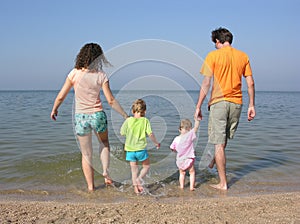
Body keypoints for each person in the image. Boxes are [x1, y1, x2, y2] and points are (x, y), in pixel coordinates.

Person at [50, 43, 128, 192]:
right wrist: (125, 115)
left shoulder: (74, 73)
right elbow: (110, 100)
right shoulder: (101, 75)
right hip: (97, 115)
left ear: (81, 56)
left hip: (81, 117)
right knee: (104, 143)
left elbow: (61, 96)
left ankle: (91, 187)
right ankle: (105, 171)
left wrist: (54, 109)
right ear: (98, 58)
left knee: (86, 154)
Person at [194, 27, 256, 190]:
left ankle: (223, 183)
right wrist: (251, 105)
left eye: (214, 43)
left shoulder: (213, 55)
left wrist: (198, 105)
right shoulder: (243, 56)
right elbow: (250, 83)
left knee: (218, 144)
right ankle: (215, 160)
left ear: (217, 41)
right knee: (224, 138)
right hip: (237, 103)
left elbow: (206, 83)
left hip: (219, 102)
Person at [120, 99, 160, 194]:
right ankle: (140, 179)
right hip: (141, 150)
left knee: (134, 171)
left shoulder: (128, 120)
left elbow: (122, 133)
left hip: (130, 150)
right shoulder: (145, 121)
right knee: (146, 166)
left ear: (133, 111)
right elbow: (150, 134)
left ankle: (136, 189)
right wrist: (156, 143)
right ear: (145, 111)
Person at [170, 118, 200, 191]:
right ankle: (191, 187)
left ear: (179, 129)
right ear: (189, 130)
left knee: (182, 173)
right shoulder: (189, 136)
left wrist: (175, 151)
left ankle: (181, 186)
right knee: (192, 172)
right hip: (189, 158)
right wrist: (197, 120)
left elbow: (172, 148)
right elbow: (196, 128)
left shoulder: (176, 139)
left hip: (180, 159)